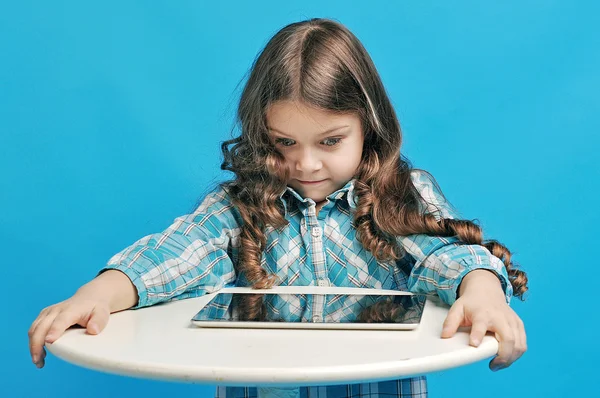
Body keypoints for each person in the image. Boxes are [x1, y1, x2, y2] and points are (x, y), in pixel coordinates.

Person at [28, 17, 528, 398]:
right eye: (284, 141)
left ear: (368, 126)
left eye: (330, 141)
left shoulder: (401, 190)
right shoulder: (243, 203)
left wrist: (483, 291)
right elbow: (177, 253)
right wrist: (100, 291)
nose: (306, 163)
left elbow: (446, 255)